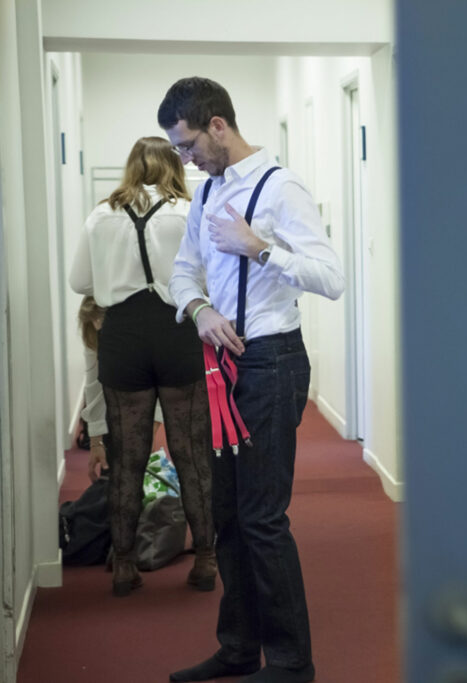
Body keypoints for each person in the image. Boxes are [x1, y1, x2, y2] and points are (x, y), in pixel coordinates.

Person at [159, 77, 344, 683]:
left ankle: (292, 663)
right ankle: (238, 648)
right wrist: (199, 309)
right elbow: (182, 272)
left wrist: (258, 247)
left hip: (272, 363)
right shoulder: (206, 192)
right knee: (228, 517)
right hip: (221, 366)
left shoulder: (280, 186)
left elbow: (329, 277)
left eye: (187, 146)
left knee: (264, 518)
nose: (183, 160)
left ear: (218, 125)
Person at [69, 138, 217, 597]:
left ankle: (125, 566)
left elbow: (80, 282)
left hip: (124, 338)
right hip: (177, 333)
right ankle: (207, 560)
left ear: (131, 168)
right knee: (190, 453)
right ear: (174, 166)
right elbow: (211, 276)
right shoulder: (189, 212)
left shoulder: (100, 214)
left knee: (127, 459)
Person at [78, 295, 165, 484]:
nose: (98, 326)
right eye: (94, 322)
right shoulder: (94, 333)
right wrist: (95, 440)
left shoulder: (145, 329)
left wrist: (151, 428)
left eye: (102, 320)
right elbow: (94, 383)